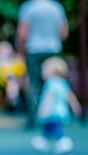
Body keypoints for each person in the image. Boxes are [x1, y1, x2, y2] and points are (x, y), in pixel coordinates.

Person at [16, 0, 68, 129]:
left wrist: (21, 48)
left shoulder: (28, 7)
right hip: (53, 49)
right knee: (54, 82)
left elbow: (22, 33)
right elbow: (63, 32)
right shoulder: (56, 7)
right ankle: (56, 114)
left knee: (33, 84)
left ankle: (34, 117)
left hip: (34, 50)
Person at [31, 56, 81, 154]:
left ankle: (63, 140)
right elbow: (70, 96)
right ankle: (43, 140)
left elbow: (49, 97)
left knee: (54, 126)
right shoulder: (63, 83)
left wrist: (44, 109)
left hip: (52, 111)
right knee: (49, 126)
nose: (42, 72)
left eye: (44, 70)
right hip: (61, 111)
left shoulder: (50, 83)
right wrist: (76, 106)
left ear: (53, 71)